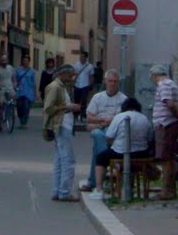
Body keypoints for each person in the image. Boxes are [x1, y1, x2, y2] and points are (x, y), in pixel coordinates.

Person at [89, 97, 154, 200]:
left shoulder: (119, 117)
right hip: (141, 153)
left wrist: (112, 144)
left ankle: (99, 189)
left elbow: (109, 136)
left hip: (120, 152)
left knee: (101, 158)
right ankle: (131, 188)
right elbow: (150, 138)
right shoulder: (144, 118)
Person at [78, 69, 127, 191]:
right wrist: (102, 122)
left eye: (115, 81)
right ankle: (106, 170)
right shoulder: (98, 97)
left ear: (118, 83)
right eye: (110, 81)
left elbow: (121, 118)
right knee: (98, 135)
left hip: (114, 131)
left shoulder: (123, 99)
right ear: (105, 82)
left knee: (97, 150)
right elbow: (89, 116)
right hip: (99, 128)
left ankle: (93, 181)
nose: (112, 84)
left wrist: (105, 122)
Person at [43, 64, 81, 201]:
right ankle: (64, 191)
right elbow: (49, 108)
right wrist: (68, 107)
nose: (72, 78)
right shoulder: (55, 87)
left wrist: (68, 108)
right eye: (70, 76)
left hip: (63, 125)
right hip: (61, 125)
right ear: (63, 74)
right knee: (68, 160)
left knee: (59, 160)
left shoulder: (61, 87)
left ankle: (57, 190)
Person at [150, 63, 178, 200]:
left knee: (166, 159)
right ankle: (171, 189)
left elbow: (169, 103)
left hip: (165, 124)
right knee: (168, 158)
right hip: (170, 123)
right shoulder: (172, 84)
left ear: (153, 76)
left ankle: (166, 191)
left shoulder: (163, 85)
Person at [0, 54, 16, 131]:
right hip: (2, 88)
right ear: (0, 61)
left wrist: (15, 84)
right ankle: (0, 123)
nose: (4, 61)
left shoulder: (10, 68)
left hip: (10, 87)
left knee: (13, 98)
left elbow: (13, 78)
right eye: (2, 60)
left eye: (5, 60)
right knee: (1, 105)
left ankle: (11, 113)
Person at [14, 53, 37, 128]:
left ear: (29, 61)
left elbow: (34, 83)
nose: (25, 62)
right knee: (19, 107)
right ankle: (21, 120)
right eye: (24, 60)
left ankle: (24, 123)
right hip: (20, 91)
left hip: (28, 92)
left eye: (27, 60)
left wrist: (35, 93)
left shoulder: (32, 71)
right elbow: (15, 80)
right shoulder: (18, 70)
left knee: (26, 106)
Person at [73, 50, 96, 119]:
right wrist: (73, 83)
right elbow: (74, 74)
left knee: (84, 100)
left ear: (86, 58)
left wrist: (90, 84)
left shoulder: (90, 66)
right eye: (80, 57)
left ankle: (83, 113)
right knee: (76, 100)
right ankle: (76, 114)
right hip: (77, 85)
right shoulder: (76, 65)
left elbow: (91, 76)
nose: (81, 58)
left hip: (85, 85)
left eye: (82, 57)